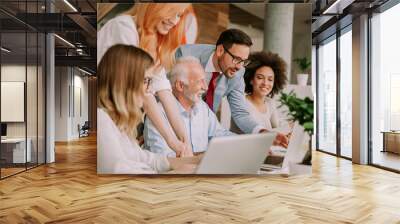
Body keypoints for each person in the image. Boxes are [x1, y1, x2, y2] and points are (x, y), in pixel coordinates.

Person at [97, 3, 194, 157]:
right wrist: (173, 142)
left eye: (179, 15)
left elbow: (163, 90)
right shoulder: (124, 28)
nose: (175, 22)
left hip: (121, 117)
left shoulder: (156, 42)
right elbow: (143, 92)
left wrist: (185, 140)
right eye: (173, 13)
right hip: (106, 111)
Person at [175, 29, 288, 147]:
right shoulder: (184, 56)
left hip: (203, 131)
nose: (239, 67)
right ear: (220, 50)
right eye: (237, 59)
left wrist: (262, 133)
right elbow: (164, 95)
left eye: (244, 61)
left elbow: (240, 113)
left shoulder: (238, 73)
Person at [97, 45, 199, 174]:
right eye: (146, 81)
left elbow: (147, 160)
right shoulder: (102, 121)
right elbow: (120, 173)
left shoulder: (120, 126)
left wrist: (195, 161)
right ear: (125, 81)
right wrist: (177, 173)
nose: (150, 90)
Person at [144, 57, 235, 157]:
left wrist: (248, 141)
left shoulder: (202, 108)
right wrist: (200, 158)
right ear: (180, 86)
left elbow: (220, 134)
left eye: (205, 80)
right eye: (200, 81)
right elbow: (161, 158)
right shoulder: (158, 114)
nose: (206, 87)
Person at [231, 51, 288, 134]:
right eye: (260, 77)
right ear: (251, 80)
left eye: (270, 79)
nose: (265, 83)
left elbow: (277, 128)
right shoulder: (241, 102)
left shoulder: (270, 103)